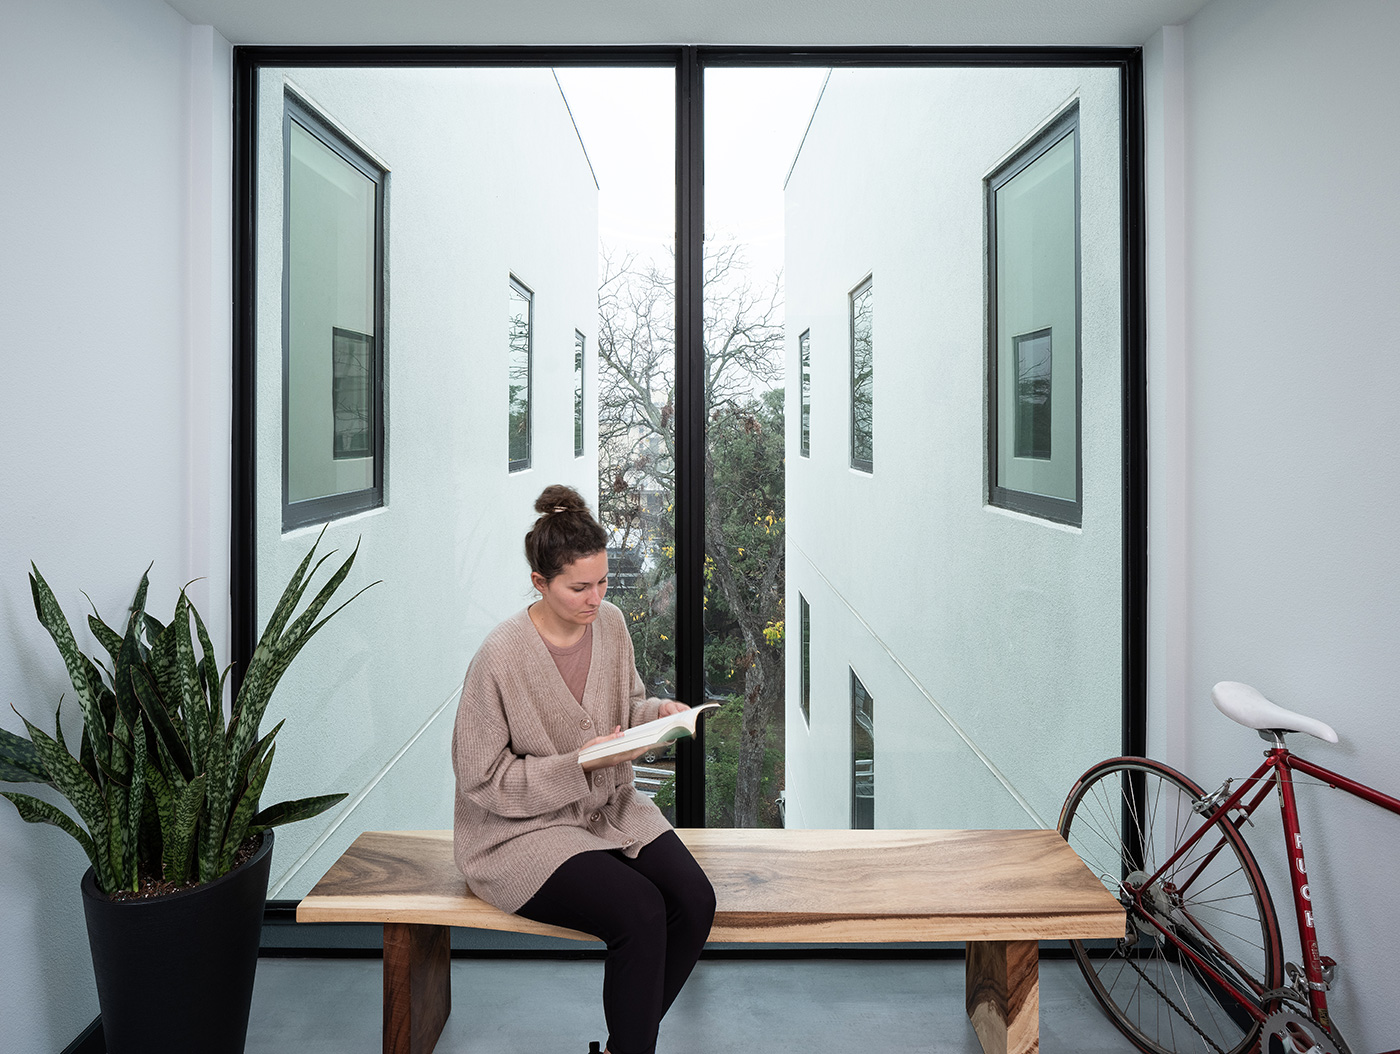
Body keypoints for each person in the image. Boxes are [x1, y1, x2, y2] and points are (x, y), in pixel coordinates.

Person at [452, 483, 716, 1054]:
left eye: (601, 583)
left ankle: (625, 1044)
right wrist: (577, 765)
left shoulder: (612, 624)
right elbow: (481, 780)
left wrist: (657, 714)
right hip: (517, 833)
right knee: (640, 913)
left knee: (695, 902)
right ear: (539, 583)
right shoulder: (499, 657)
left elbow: (622, 712)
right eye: (579, 588)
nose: (595, 599)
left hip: (606, 809)